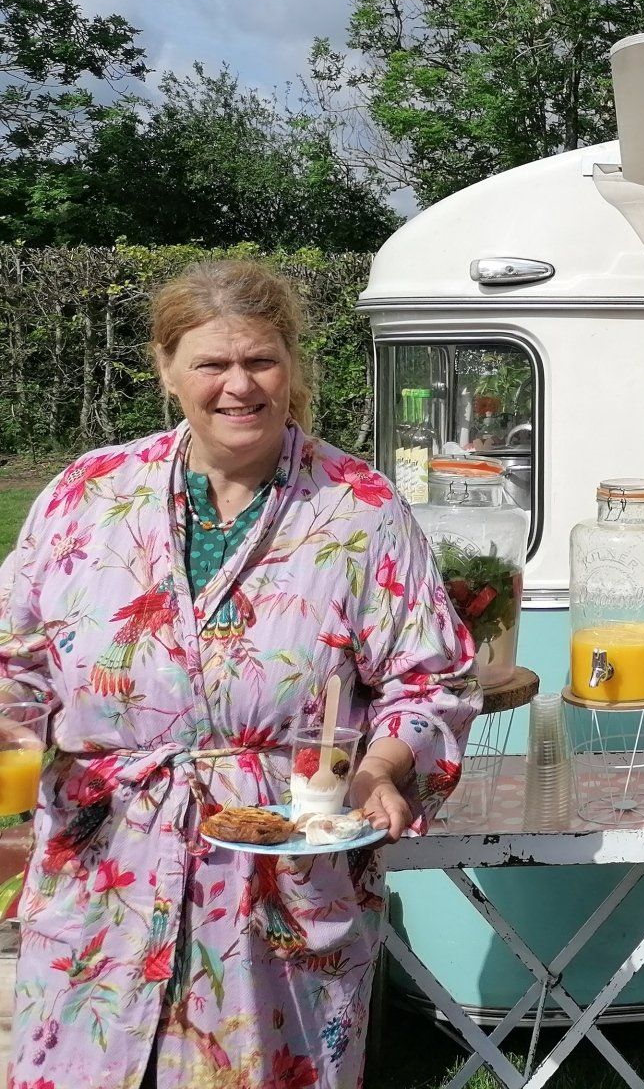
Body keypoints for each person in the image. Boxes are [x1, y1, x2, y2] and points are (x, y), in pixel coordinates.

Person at [0, 260, 479, 1089]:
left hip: (279, 872)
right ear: (166, 369)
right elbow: (16, 656)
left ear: (290, 366)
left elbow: (431, 679)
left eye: (260, 361)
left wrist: (377, 769)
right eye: (211, 363)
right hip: (107, 864)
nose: (239, 385)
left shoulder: (358, 508)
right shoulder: (87, 494)